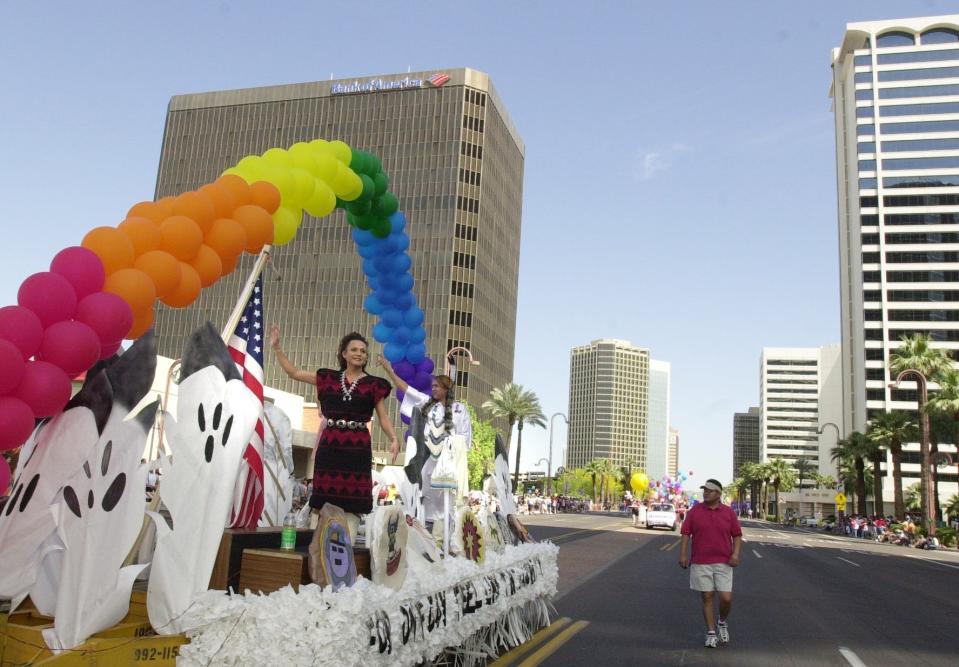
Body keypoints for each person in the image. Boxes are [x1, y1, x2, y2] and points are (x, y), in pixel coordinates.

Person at [270, 327, 399, 539]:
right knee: (324, 497)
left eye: (363, 351)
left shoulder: (374, 385)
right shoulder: (327, 378)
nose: (359, 353)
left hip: (357, 448)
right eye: (354, 349)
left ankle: (346, 544)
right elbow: (294, 373)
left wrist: (393, 438)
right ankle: (317, 542)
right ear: (344, 354)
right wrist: (276, 348)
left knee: (353, 499)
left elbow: (383, 416)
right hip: (330, 446)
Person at [377, 355, 472, 524]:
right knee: (425, 489)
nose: (433, 389)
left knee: (450, 497)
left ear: (446, 389)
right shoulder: (427, 403)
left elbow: (465, 436)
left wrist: (456, 455)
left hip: (451, 461)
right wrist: (388, 369)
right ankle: (426, 524)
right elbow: (406, 389)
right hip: (430, 458)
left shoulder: (460, 409)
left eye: (437, 386)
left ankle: (449, 529)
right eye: (432, 386)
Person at [679, 479, 743, 649]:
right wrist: (683, 554)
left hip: (724, 561)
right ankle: (711, 632)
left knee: (726, 599)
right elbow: (685, 533)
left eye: (710, 490)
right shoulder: (695, 511)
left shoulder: (729, 513)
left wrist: (735, 554)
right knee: (707, 596)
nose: (706, 493)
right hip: (701, 561)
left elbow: (737, 535)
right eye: (705, 490)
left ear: (719, 494)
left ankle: (722, 622)